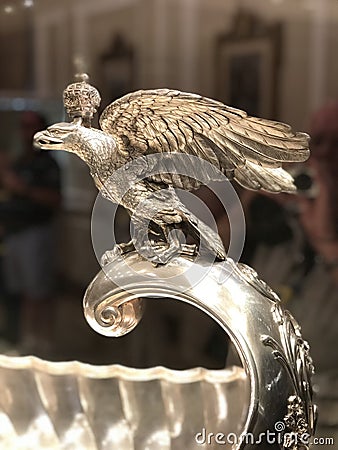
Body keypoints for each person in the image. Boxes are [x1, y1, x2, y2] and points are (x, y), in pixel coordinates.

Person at [0, 111, 61, 354]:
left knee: (38, 290)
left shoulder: (47, 164)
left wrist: (22, 189)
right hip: (13, 234)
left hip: (35, 233)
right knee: (22, 290)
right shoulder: (19, 162)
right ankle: (27, 339)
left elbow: (54, 199)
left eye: (31, 127)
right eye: (23, 127)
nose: (26, 133)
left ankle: (41, 341)